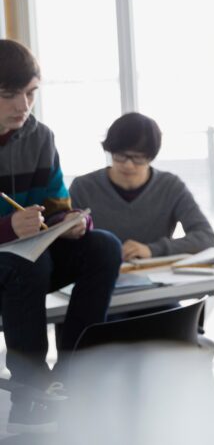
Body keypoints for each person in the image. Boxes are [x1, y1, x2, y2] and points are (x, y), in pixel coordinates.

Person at [0, 39, 121, 434]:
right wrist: (7, 229)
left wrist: (69, 221)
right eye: (9, 95)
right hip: (17, 265)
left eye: (31, 93)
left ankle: (72, 376)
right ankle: (29, 392)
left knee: (104, 246)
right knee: (26, 261)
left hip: (29, 263)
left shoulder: (40, 137)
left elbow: (55, 204)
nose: (23, 105)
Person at [70, 112, 214, 260]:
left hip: (154, 270)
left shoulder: (170, 186)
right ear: (110, 151)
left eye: (138, 157)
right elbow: (65, 243)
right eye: (120, 155)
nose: (128, 165)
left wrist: (152, 250)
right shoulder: (83, 188)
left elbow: (206, 237)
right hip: (96, 270)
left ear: (151, 157)